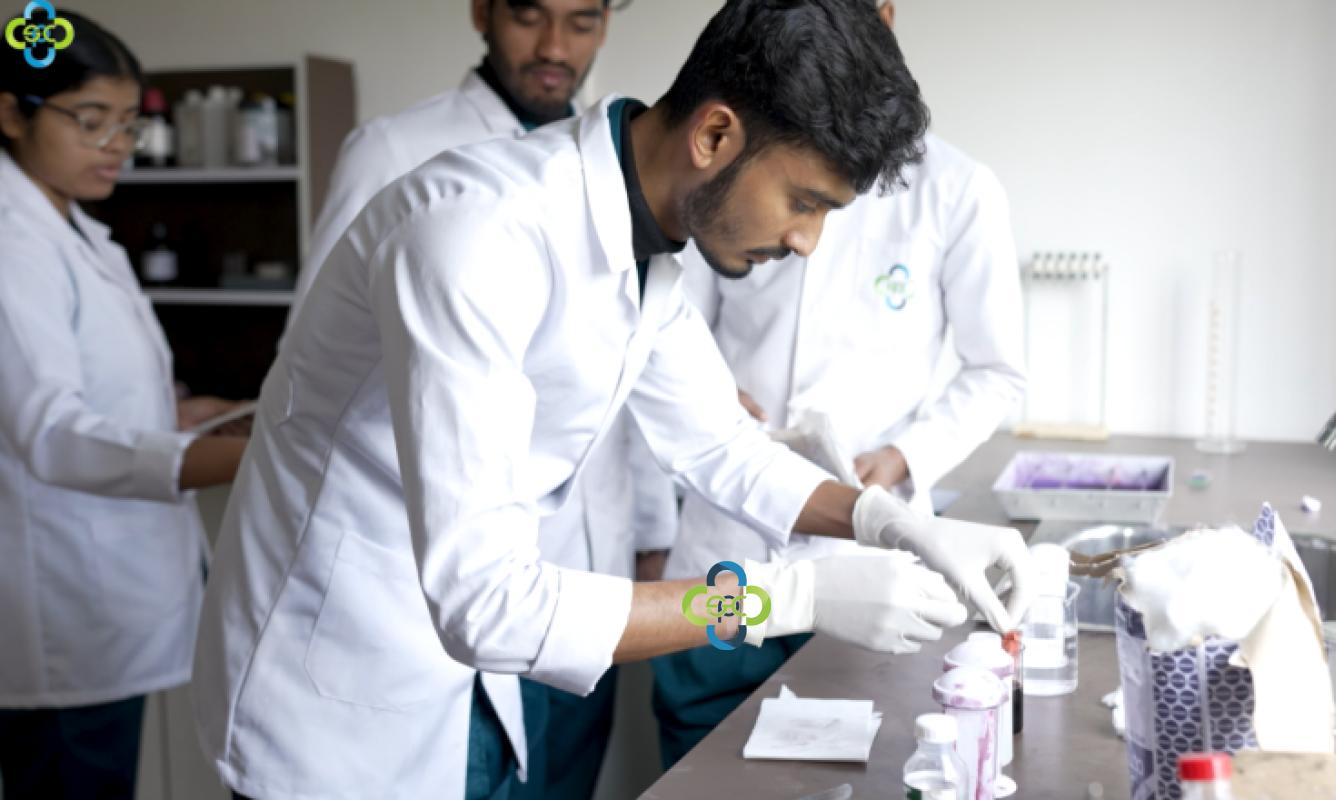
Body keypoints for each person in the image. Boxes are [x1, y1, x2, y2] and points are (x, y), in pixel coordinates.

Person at [193, 2, 1033, 797]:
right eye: (804, 202)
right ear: (714, 135)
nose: (806, 241)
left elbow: (719, 445)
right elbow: (485, 602)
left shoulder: (647, 244)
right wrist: (793, 597)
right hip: (342, 685)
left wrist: (888, 522)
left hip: (464, 677)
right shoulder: (477, 231)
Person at [647, 0, 1030, 767]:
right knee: (702, 766)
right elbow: (665, 337)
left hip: (866, 559)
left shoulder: (955, 189)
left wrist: (902, 466)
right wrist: (703, 401)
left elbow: (997, 372)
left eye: (821, 208)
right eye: (802, 204)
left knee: (854, 765)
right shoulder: (724, 183)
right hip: (725, 534)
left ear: (885, 13)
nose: (803, 241)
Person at [287, 2, 653, 796]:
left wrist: (652, 533)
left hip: (593, 580)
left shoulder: (619, 164)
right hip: (448, 595)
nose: (554, 46)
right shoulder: (396, 151)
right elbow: (313, 371)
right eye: (529, 14)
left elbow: (639, 368)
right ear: (482, 11)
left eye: (582, 20)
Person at [0, 10, 247, 798]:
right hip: (63, 610)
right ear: (11, 112)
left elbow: (88, 385)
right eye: (90, 120)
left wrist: (186, 414)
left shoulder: (72, 228)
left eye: (129, 124)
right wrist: (245, 458)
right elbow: (52, 432)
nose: (116, 144)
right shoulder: (12, 241)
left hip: (106, 601)